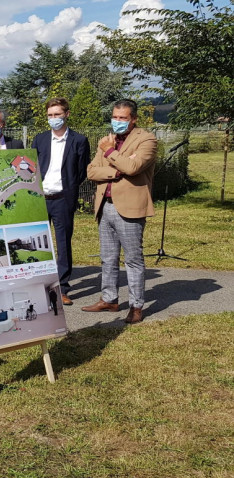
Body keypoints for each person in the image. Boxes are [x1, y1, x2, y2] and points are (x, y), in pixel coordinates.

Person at [81, 99, 157, 324]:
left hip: (130, 208)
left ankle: (136, 305)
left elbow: (133, 167)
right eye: (115, 117)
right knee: (107, 257)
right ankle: (109, 299)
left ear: (133, 119)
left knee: (133, 260)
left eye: (123, 118)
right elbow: (92, 171)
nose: (117, 122)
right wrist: (115, 170)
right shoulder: (107, 140)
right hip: (105, 205)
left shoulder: (147, 140)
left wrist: (110, 153)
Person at [31, 97, 90, 305]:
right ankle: (38, 286)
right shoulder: (39, 139)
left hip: (63, 199)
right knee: (35, 244)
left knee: (63, 243)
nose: (53, 118)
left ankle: (63, 288)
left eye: (57, 114)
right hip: (40, 198)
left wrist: (69, 187)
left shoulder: (79, 141)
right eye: (50, 115)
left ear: (67, 114)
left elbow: (82, 171)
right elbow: (32, 168)